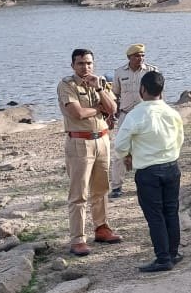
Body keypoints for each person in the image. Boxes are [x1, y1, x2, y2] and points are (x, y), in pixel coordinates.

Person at [113, 71, 184, 273]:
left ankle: (163, 258)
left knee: (155, 215)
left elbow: (120, 144)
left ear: (142, 90)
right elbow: (180, 139)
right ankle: (172, 252)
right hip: (171, 167)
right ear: (162, 90)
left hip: (149, 171)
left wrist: (127, 154)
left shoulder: (137, 114)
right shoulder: (172, 113)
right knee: (171, 211)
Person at [58, 49, 122, 257]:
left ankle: (102, 228)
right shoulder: (67, 85)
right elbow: (77, 113)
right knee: (79, 194)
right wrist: (98, 109)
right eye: (80, 64)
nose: (85, 67)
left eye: (88, 63)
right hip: (79, 142)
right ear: (73, 65)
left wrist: (100, 90)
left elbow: (112, 108)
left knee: (101, 188)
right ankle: (78, 239)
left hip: (102, 139)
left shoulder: (100, 82)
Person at [110, 43, 159, 198]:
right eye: (137, 55)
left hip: (146, 114)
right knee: (120, 150)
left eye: (143, 55)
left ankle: (148, 185)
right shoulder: (119, 72)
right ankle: (117, 186)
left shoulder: (152, 71)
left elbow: (159, 94)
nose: (141, 58)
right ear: (129, 57)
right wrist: (112, 114)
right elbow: (114, 95)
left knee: (147, 149)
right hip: (126, 115)